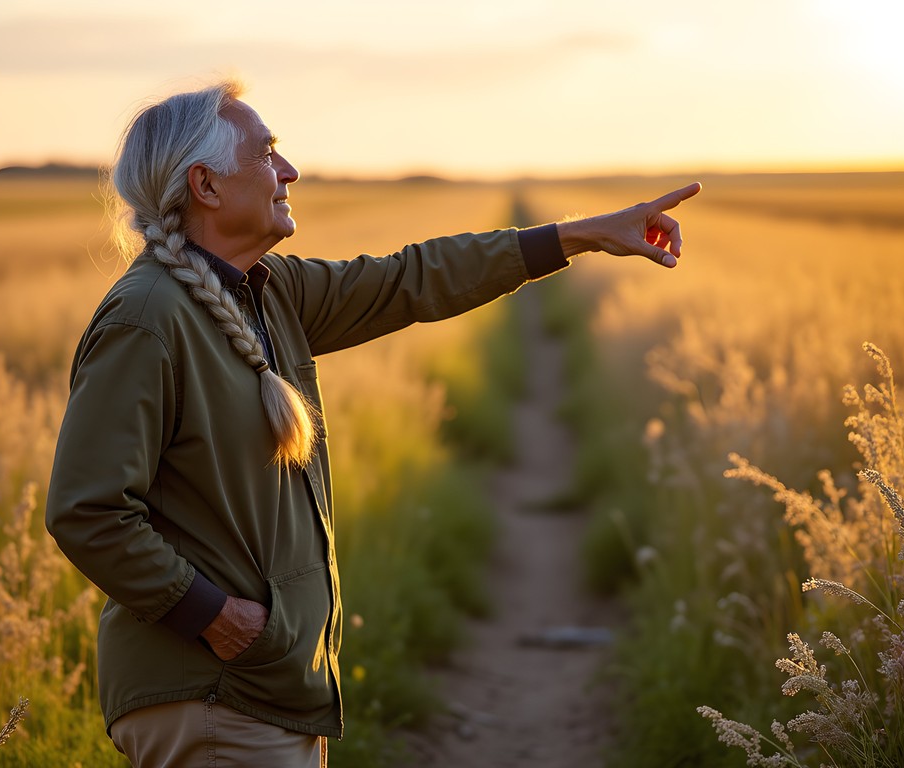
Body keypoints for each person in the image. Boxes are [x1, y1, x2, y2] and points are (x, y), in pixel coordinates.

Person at [45, 79, 700, 768]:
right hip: (212, 698)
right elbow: (87, 510)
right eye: (267, 152)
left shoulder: (270, 294)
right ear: (205, 185)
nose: (289, 170)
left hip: (261, 691)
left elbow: (411, 278)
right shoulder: (147, 318)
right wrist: (215, 615)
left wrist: (583, 235)